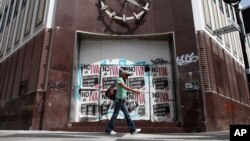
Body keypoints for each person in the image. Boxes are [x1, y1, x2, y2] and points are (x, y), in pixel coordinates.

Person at [106, 67, 141, 135]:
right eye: (127, 75)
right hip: (119, 100)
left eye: (128, 75)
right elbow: (125, 87)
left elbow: (114, 85)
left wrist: (112, 89)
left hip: (122, 100)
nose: (128, 76)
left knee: (127, 115)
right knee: (115, 115)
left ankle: (133, 130)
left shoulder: (122, 80)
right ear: (122, 74)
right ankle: (109, 129)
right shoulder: (120, 79)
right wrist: (135, 91)